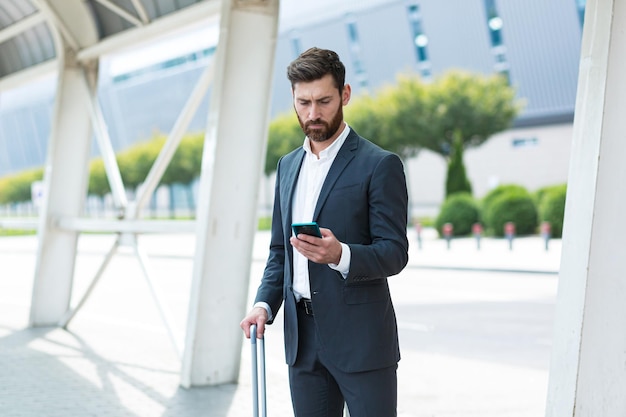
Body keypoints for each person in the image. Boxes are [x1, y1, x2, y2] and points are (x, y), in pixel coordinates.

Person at [240, 47, 409, 417]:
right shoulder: (287, 166)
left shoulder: (380, 165)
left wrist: (341, 255)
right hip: (302, 342)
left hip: (362, 342)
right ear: (293, 99)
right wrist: (264, 305)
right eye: (303, 102)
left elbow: (395, 252)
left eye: (323, 101)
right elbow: (279, 252)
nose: (313, 114)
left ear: (345, 95)